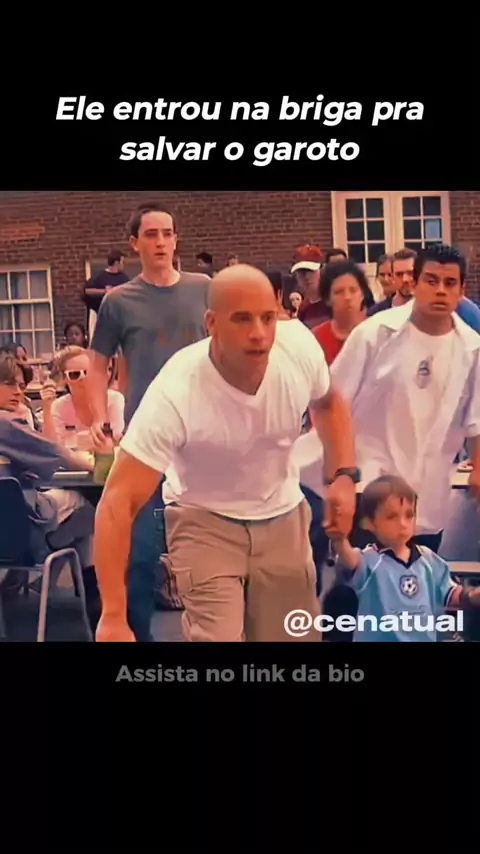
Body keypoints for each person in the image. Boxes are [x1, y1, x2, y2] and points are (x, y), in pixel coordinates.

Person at [93, 265, 359, 643]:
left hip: (281, 514)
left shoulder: (298, 350)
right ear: (211, 323)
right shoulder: (177, 390)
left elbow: (329, 403)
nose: (259, 333)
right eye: (242, 319)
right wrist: (113, 616)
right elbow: (117, 502)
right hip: (204, 519)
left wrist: (343, 475)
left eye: (268, 317)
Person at [87, 203, 211, 642]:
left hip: (203, 436)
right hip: (146, 439)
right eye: (151, 234)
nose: (160, 242)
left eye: (167, 233)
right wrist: (99, 417)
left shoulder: (204, 289)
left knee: (211, 547)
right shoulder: (118, 301)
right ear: (134, 243)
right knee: (138, 552)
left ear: (176, 240)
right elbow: (97, 364)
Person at [328, 243, 480, 553]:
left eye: (450, 283)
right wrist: (339, 475)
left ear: (461, 289)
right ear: (414, 282)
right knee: (369, 579)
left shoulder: (472, 348)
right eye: (431, 280)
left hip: (428, 499)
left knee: (420, 581)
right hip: (370, 490)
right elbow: (332, 404)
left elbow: (476, 420)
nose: (440, 290)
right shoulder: (375, 333)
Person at [0, 354, 98, 627]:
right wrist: (96, 465)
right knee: (88, 508)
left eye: (21, 385)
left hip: (8, 533)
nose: (18, 391)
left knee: (77, 521)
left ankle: (26, 580)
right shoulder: (5, 423)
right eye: (9, 383)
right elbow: (56, 452)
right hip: (22, 533)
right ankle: (91, 594)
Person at [326, 475, 480, 642]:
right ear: (368, 523)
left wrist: (472, 595)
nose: (403, 523)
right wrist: (340, 539)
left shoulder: (428, 559)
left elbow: (450, 594)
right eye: (392, 517)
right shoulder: (369, 559)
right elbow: (349, 559)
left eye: (409, 515)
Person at [40, 346, 124, 446]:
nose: (83, 378)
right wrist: (47, 408)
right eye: (75, 374)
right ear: (64, 378)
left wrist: (75, 440)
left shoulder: (114, 399)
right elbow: (52, 446)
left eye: (87, 373)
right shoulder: (59, 406)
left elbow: (117, 440)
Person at [311, 260, 374, 365]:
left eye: (353, 290)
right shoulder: (316, 338)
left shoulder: (377, 332)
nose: (347, 297)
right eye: (339, 292)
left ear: (362, 294)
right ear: (327, 299)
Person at [367, 248, 416, 316]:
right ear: (393, 276)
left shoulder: (429, 310)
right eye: (399, 274)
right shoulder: (377, 313)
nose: (405, 279)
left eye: (410, 273)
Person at [291, 244, 329, 329]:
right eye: (301, 272)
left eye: (310, 271)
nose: (306, 277)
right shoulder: (302, 308)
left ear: (321, 271)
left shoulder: (332, 303)